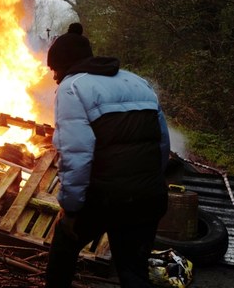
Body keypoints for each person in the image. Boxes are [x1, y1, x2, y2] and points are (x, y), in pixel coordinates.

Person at [44, 23, 170, 287]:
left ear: (64, 65)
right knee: (134, 273)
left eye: (54, 69)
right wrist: (152, 183)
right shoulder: (137, 81)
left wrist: (71, 209)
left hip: (107, 198)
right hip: (149, 197)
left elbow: (76, 155)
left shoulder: (72, 88)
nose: (54, 76)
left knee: (64, 247)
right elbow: (162, 145)